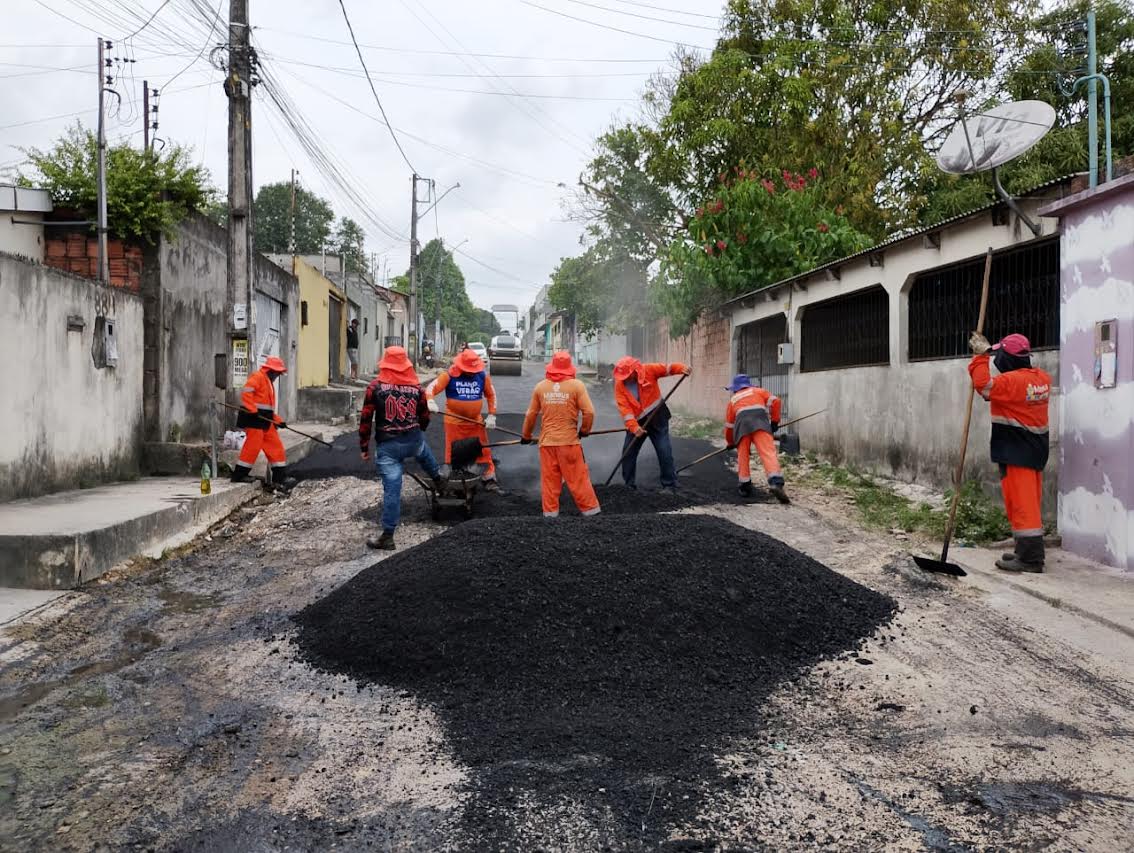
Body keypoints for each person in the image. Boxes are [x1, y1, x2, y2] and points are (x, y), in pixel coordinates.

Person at [968, 332, 1052, 572]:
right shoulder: (1041, 378)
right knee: (1028, 502)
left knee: (1022, 505)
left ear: (1008, 358)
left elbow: (983, 385)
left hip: (1016, 449)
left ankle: (1031, 559)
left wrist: (980, 357)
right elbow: (996, 390)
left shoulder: (1012, 382)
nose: (998, 359)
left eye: (999, 354)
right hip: (1034, 449)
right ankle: (1023, 551)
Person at [359, 346, 443, 550]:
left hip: (388, 447)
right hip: (413, 441)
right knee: (423, 450)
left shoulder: (375, 387)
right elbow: (424, 417)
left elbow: (366, 419)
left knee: (393, 490)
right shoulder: (417, 389)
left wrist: (364, 447)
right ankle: (438, 479)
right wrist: (419, 430)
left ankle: (388, 536)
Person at [521, 351, 601, 518]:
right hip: (569, 443)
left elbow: (530, 415)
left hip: (547, 444)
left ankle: (550, 517)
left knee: (550, 482)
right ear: (569, 368)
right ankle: (591, 513)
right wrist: (584, 431)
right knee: (578, 480)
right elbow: (589, 412)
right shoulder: (577, 386)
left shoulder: (541, 387)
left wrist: (526, 436)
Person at [425, 347, 500, 490]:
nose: (471, 372)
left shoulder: (482, 376)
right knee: (453, 453)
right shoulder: (449, 375)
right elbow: (431, 388)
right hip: (454, 422)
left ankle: (488, 478)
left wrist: (491, 415)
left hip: (475, 422)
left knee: (483, 450)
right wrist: (430, 400)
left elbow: (491, 395)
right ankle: (455, 480)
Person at [612, 356, 691, 490]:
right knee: (628, 452)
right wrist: (634, 428)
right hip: (637, 422)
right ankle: (629, 486)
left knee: (664, 450)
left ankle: (669, 484)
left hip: (657, 416)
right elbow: (625, 410)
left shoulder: (648, 370)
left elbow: (668, 368)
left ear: (634, 370)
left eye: (627, 376)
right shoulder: (619, 385)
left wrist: (682, 368)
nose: (624, 379)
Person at [231, 356, 294, 490]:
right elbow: (246, 392)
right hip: (253, 420)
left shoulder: (268, 382)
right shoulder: (258, 377)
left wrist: (278, 421)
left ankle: (279, 478)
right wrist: (252, 410)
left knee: (276, 447)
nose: (278, 376)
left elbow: (267, 409)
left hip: (264, 421)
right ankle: (239, 475)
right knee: (252, 448)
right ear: (271, 370)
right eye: (277, 373)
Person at [723, 374, 787, 502]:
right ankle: (776, 482)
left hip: (742, 427)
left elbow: (729, 426)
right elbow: (776, 401)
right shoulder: (758, 391)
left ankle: (745, 486)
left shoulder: (733, 400)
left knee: (743, 455)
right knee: (768, 452)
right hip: (761, 423)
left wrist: (730, 442)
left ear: (735, 388)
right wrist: (775, 421)